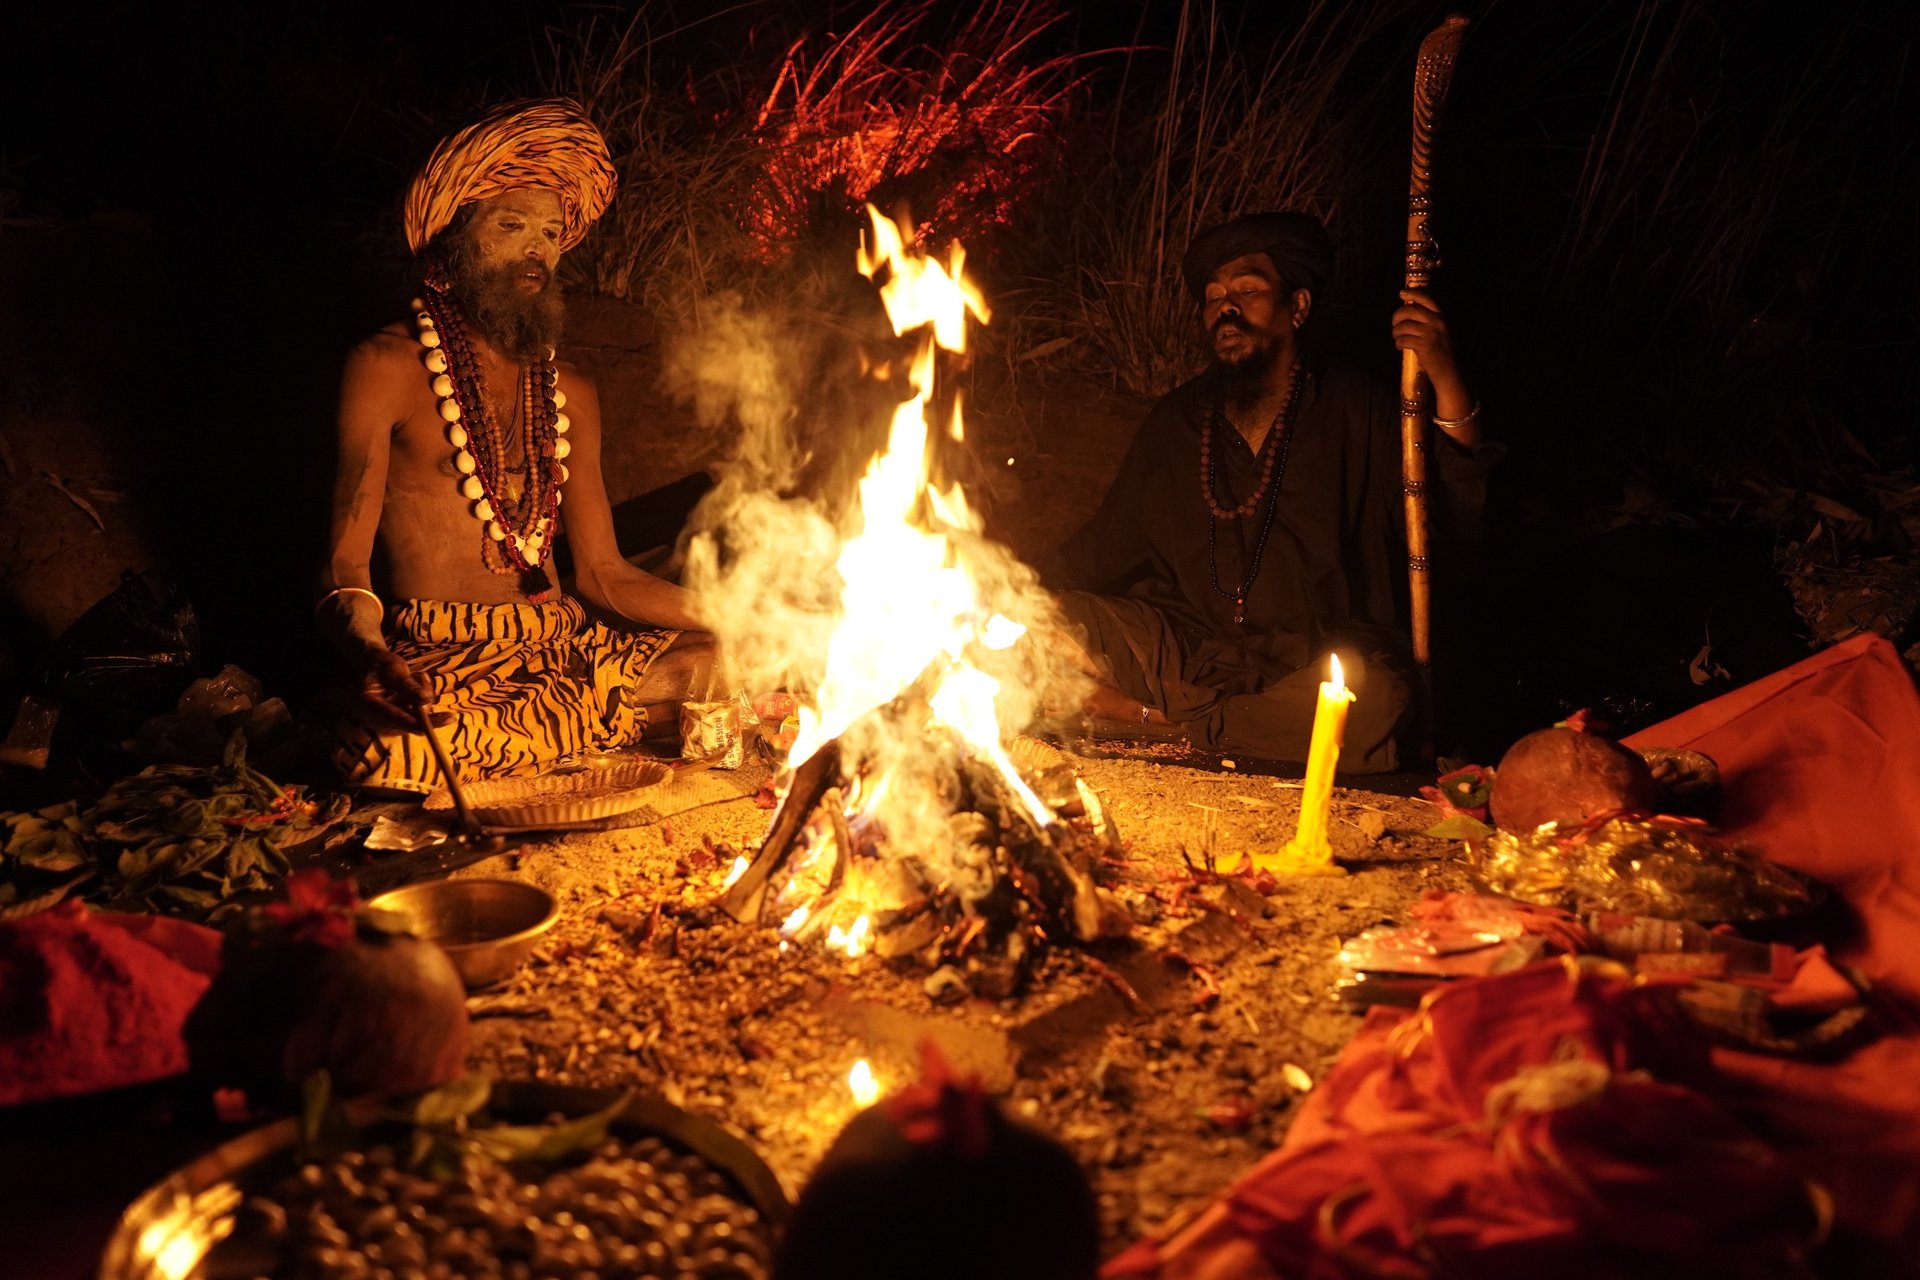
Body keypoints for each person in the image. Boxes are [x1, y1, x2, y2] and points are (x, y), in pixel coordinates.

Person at [318, 99, 712, 794]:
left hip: (566, 650)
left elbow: (605, 577)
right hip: (449, 656)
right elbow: (345, 565)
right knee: (392, 749)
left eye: (553, 232)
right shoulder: (386, 367)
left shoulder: (571, 393)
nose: (539, 248)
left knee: (743, 654)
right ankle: (571, 732)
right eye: (512, 225)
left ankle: (561, 730)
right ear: (454, 239)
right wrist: (374, 657)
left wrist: (747, 614)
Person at [1046, 212, 1497, 772]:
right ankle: (1228, 727)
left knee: (1374, 701)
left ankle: (1172, 726)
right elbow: (1103, 547)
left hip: (1317, 658)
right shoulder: (1178, 422)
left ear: (1298, 307)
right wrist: (1012, 596)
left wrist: (1442, 370)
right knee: (1046, 624)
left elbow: (1449, 504)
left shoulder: (1356, 405)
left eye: (1248, 290)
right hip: (1191, 649)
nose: (1225, 308)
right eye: (1212, 297)